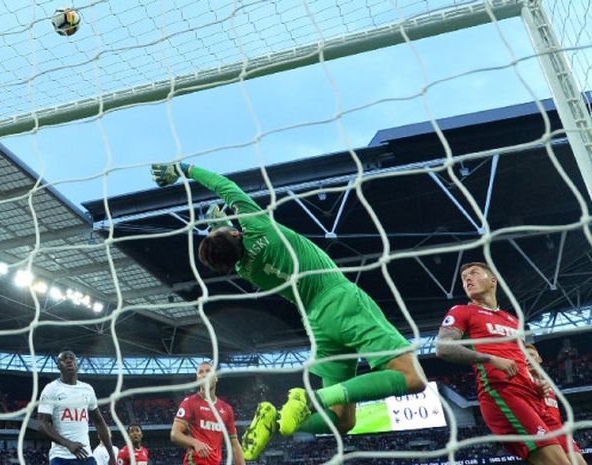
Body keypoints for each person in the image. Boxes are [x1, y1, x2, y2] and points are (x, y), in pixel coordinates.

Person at [151, 163, 426, 460]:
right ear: (235, 232)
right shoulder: (260, 228)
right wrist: (184, 169)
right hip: (340, 299)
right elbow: (224, 185)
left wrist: (222, 227)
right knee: (412, 377)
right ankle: (309, 399)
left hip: (317, 323)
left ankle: (277, 418)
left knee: (343, 421)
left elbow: (232, 249)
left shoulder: (246, 271)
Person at [436, 262, 579, 465]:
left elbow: (523, 358)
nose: (467, 279)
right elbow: (443, 348)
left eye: (474, 274)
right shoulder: (461, 311)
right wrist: (491, 359)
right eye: (464, 278)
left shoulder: (512, 320)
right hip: (502, 393)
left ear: (492, 280)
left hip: (534, 397)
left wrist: (535, 381)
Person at [38, 350, 116, 465]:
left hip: (86, 456)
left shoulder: (87, 389)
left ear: (77, 364)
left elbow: (99, 421)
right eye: (64, 359)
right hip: (60, 457)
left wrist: (112, 455)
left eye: (72, 358)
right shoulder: (51, 389)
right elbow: (42, 424)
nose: (69, 360)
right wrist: (68, 443)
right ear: (58, 366)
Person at [170, 360, 244, 465]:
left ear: (216, 377)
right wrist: (195, 443)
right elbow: (175, 434)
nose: (204, 374)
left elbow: (235, 445)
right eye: (200, 372)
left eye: (208, 371)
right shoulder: (189, 402)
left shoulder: (227, 409)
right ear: (197, 379)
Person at [525, 343, 587, 465]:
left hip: (558, 430)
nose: (527, 359)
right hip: (541, 432)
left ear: (539, 359)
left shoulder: (548, 383)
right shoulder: (523, 382)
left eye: (531, 355)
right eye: (524, 357)